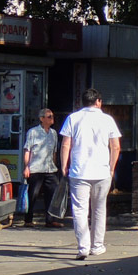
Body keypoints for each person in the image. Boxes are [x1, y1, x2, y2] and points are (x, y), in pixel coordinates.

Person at [59, 89, 121, 260]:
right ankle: (97, 246)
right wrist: (111, 168)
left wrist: (64, 165)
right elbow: (115, 146)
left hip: (79, 171)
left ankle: (83, 247)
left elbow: (66, 144)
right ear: (98, 101)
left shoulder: (73, 118)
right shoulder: (107, 120)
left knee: (80, 210)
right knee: (99, 209)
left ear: (83, 102)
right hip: (102, 171)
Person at [22, 108, 62, 228]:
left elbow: (54, 151)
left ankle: (50, 220)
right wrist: (26, 167)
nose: (52, 118)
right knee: (33, 194)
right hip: (36, 168)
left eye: (52, 116)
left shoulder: (53, 133)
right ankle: (28, 219)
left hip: (49, 168)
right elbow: (27, 150)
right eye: (49, 116)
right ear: (41, 118)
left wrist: (55, 165)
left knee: (52, 193)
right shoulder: (33, 132)